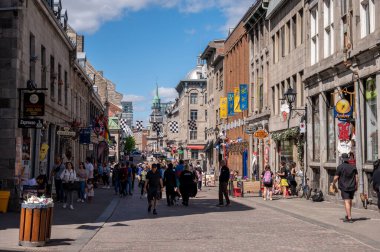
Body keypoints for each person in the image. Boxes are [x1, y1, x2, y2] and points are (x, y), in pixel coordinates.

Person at [332, 153, 358, 223]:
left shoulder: (340, 167)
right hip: (352, 186)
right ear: (348, 158)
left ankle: (349, 218)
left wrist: (333, 183)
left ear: (342, 159)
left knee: (346, 201)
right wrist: (357, 186)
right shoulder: (353, 167)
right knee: (350, 201)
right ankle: (348, 214)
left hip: (344, 186)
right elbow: (356, 177)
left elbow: (336, 177)